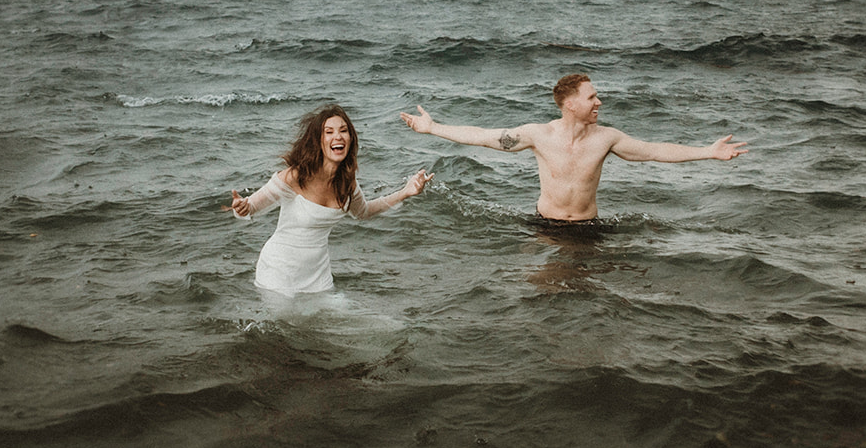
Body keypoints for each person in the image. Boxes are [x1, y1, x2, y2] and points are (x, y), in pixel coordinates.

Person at [400, 73, 745, 222]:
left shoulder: (606, 138)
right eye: (592, 97)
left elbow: (654, 150)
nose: (600, 101)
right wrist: (432, 128)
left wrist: (708, 151)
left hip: (588, 228)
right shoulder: (538, 134)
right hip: (544, 224)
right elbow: (483, 136)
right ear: (570, 104)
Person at [228, 104, 431, 296]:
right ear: (318, 140)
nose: (338, 136)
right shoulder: (296, 176)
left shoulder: (347, 181)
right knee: (284, 331)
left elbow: (364, 212)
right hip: (278, 272)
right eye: (329, 131)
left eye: (343, 130)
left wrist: (405, 192)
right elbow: (250, 206)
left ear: (350, 138)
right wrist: (241, 207)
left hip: (318, 277)